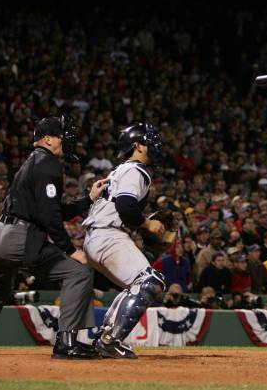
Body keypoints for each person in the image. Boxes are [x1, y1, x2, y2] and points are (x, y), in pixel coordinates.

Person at [0, 116, 107, 359]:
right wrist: (70, 249)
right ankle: (67, 342)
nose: (66, 140)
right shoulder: (49, 163)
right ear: (48, 139)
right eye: (62, 136)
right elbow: (49, 214)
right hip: (20, 237)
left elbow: (48, 207)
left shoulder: (32, 162)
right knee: (78, 272)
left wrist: (87, 199)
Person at [82, 122, 167, 359]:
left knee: (137, 284)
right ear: (138, 146)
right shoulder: (135, 170)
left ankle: (106, 337)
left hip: (97, 236)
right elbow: (126, 207)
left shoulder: (120, 170)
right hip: (107, 235)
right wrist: (147, 224)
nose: (155, 147)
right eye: (151, 142)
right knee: (150, 281)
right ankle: (109, 341)